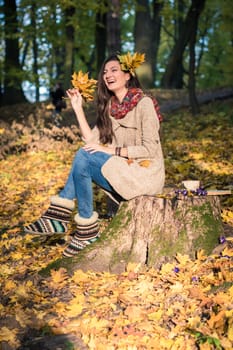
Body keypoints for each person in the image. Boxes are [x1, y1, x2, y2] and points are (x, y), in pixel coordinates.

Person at [24, 52, 165, 257]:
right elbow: (91, 143)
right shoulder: (110, 108)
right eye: (105, 71)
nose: (107, 74)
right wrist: (77, 108)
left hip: (146, 176)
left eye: (114, 70)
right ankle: (83, 229)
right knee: (84, 155)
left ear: (128, 75)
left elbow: (150, 149)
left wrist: (111, 150)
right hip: (123, 173)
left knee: (85, 156)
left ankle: (66, 219)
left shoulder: (144, 103)